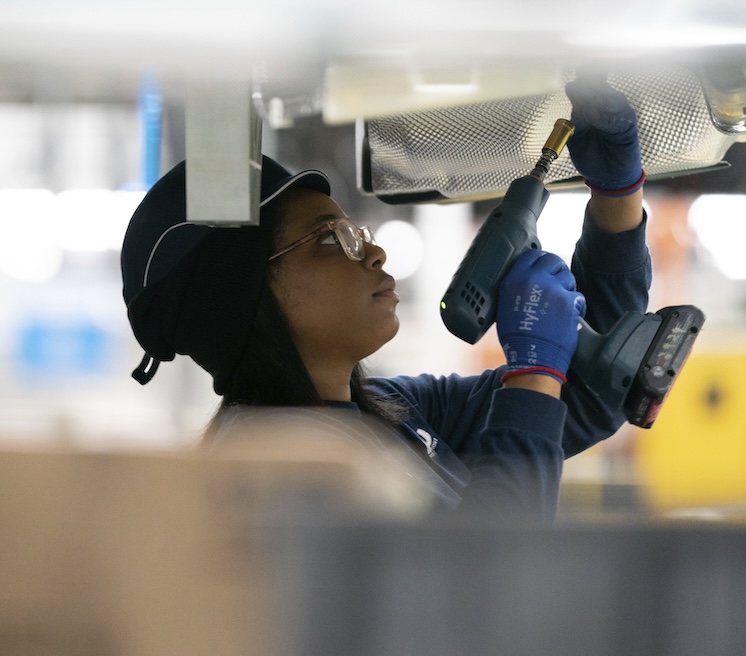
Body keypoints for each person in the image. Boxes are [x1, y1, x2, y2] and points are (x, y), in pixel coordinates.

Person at [120, 75, 649, 522]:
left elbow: (592, 388)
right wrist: (535, 369)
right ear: (246, 295)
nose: (372, 253)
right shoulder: (277, 471)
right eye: (333, 239)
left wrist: (617, 201)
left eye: (357, 230)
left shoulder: (389, 413)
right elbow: (487, 580)